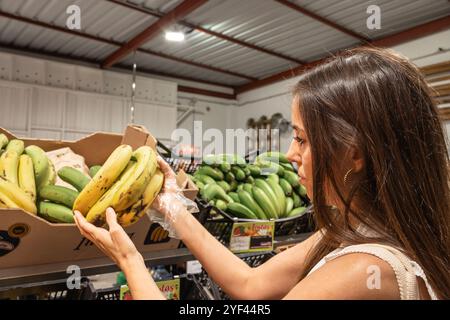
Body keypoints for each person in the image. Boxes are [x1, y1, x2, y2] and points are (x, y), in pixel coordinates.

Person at [74, 47, 450, 300]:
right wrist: (172, 206)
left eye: (302, 139)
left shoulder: (364, 269)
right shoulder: (353, 232)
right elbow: (250, 284)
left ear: (354, 153)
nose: (289, 154)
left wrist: (130, 262)